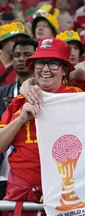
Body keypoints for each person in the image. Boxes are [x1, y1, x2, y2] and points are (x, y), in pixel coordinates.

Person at [0, 37, 82, 216]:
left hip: (64, 197)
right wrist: (21, 119)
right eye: (40, 63)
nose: (45, 69)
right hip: (20, 197)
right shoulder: (19, 102)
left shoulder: (79, 100)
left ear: (65, 69)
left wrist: (59, 188)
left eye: (53, 63)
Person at [0, 38, 38, 201]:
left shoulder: (51, 92)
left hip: (35, 175)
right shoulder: (1, 93)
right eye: (17, 55)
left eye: (27, 54)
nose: (21, 59)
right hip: (4, 171)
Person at [0, 21, 30, 87]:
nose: (18, 44)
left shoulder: (25, 66)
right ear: (2, 41)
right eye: (14, 40)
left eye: (22, 41)